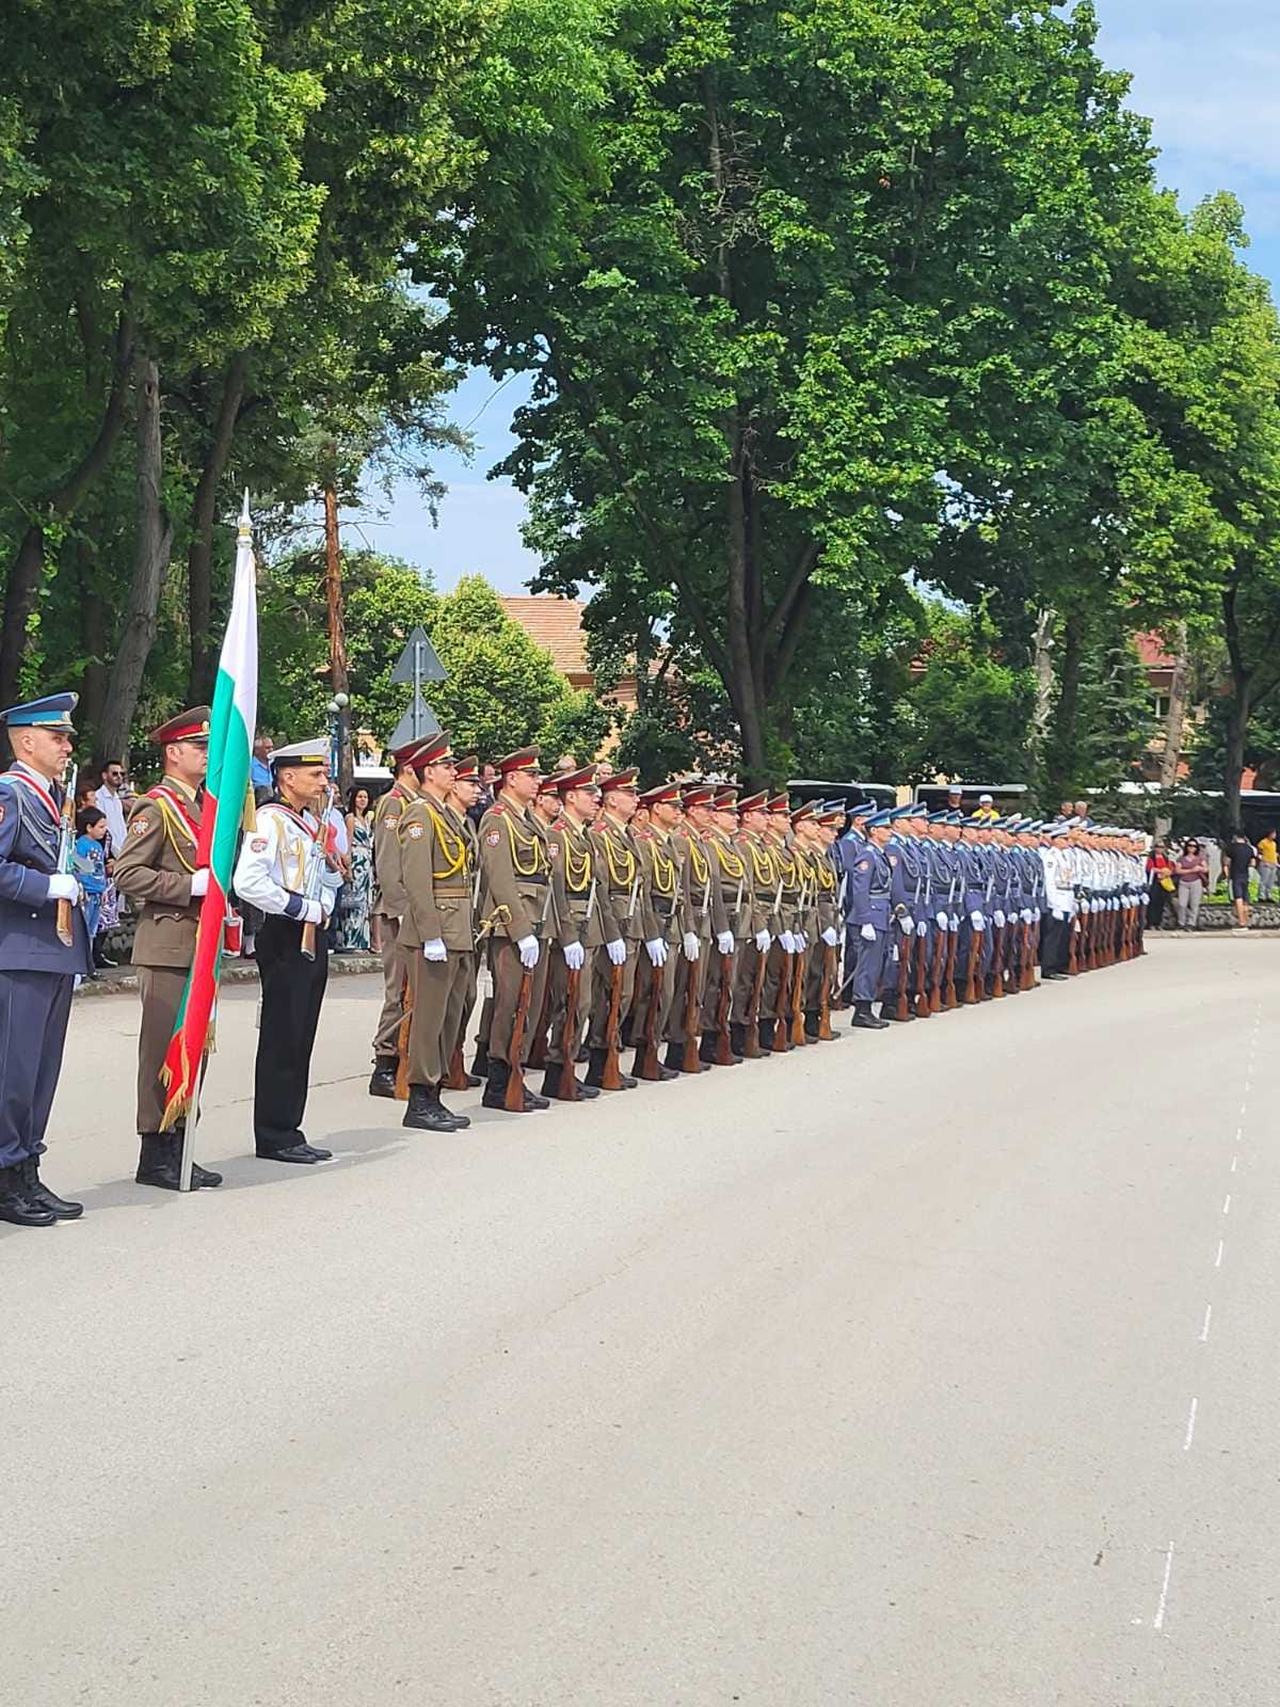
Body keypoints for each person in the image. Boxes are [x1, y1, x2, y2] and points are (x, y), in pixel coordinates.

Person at [112, 706, 223, 1191]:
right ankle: (155, 1150)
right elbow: (127, 873)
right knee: (161, 1050)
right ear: (173, 753)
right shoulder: (155, 807)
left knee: (193, 1048)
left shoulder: (204, 805)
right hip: (166, 943)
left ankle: (181, 1142)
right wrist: (187, 887)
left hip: (200, 945)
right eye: (199, 747)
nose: (206, 755)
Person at [0, 692, 92, 1226]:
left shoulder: (50, 798)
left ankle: (27, 1166)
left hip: (51, 953)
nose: (66, 746)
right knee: (13, 1071)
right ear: (27, 741)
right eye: (57, 737)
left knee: (40, 1072)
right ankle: (7, 1175)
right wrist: (44, 885)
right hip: (20, 951)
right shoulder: (11, 795)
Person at [233, 738, 342, 1163]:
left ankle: (290, 1127)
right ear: (286, 776)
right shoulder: (269, 821)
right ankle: (274, 1132)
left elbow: (322, 875)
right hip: (285, 933)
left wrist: (326, 898)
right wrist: (301, 907)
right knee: (283, 1034)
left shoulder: (306, 822)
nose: (322, 781)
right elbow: (250, 883)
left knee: (302, 1035)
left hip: (312, 931)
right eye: (314, 774)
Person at [396, 732, 475, 1132]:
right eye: (447, 766)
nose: (453, 772)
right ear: (429, 772)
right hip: (437, 929)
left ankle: (436, 1092)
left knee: (449, 1015)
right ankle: (420, 1098)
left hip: (457, 927)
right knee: (428, 1018)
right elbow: (416, 878)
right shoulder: (420, 815)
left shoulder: (443, 814)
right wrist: (430, 934)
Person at [475, 747, 555, 1112]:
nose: (538, 782)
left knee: (531, 1003)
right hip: (511, 926)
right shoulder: (497, 819)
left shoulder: (529, 820)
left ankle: (516, 1073)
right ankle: (499, 1080)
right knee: (510, 1003)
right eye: (533, 775)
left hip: (536, 921)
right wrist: (520, 929)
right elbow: (501, 878)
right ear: (512, 779)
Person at [368, 739, 423, 1097]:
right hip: (396, 911)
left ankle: (405, 1056)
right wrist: (402, 909)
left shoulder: (416, 805)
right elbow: (389, 863)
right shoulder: (393, 804)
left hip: (413, 911)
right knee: (398, 988)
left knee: (413, 988)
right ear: (410, 768)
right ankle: (385, 1062)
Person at [335, 783, 375, 951]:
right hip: (357, 858)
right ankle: (350, 940)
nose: (362, 800)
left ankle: (363, 940)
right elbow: (348, 843)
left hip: (367, 860)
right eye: (359, 797)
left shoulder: (367, 819)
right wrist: (348, 867)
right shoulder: (350, 818)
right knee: (354, 901)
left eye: (365, 797)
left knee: (365, 902)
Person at [72, 807, 110, 952]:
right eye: (101, 827)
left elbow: (100, 870)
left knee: (92, 931)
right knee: (84, 929)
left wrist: (104, 888)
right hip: (87, 892)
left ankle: (89, 963)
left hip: (98, 892)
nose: (104, 830)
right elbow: (79, 867)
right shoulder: (81, 844)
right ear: (89, 827)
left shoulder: (98, 845)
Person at [1173, 838, 1208, 931]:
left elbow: (1205, 869)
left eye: (1194, 846)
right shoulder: (1181, 859)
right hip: (1183, 882)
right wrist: (1191, 870)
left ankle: (1191, 923)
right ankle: (1181, 922)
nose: (1192, 848)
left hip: (1196, 882)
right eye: (1190, 846)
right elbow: (1177, 870)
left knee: (1194, 904)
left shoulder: (1200, 858)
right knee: (1182, 904)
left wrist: (1199, 868)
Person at [1226, 829, 1255, 930]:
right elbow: (1253, 863)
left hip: (1235, 875)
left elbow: (1227, 863)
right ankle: (1246, 921)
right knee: (1245, 899)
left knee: (1238, 898)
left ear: (1235, 837)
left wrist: (1226, 875)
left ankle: (1241, 922)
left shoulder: (1231, 849)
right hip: (1245, 875)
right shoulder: (1249, 849)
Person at [1146, 841, 1175, 928]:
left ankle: (1158, 922)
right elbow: (1149, 867)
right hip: (1154, 882)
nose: (1160, 849)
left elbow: (1170, 867)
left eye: (1162, 847)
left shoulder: (1166, 858)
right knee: (1153, 902)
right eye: (1158, 847)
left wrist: (1167, 872)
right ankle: (1151, 922)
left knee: (1161, 903)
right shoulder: (1151, 858)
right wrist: (1160, 871)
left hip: (1164, 882)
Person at [1257, 827, 1278, 902]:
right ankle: (1261, 896)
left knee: (1271, 881)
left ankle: (1268, 895)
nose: (1274, 835)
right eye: (1273, 833)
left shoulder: (1274, 844)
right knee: (1264, 880)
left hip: (1273, 863)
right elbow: (1259, 852)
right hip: (1265, 863)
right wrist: (1262, 860)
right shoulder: (1263, 842)